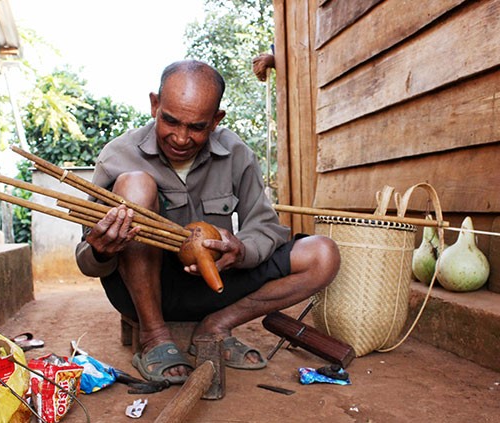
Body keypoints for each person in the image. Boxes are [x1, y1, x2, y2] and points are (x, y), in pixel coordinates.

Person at [75, 59, 340, 384]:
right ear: (154, 105)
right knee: (135, 186)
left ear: (216, 120)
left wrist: (240, 251)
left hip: (216, 284)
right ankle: (154, 336)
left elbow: (266, 227)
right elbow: (87, 260)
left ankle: (217, 325)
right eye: (170, 121)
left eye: (197, 127)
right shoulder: (119, 155)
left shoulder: (236, 154)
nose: (181, 138)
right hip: (143, 290)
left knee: (323, 254)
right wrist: (101, 251)